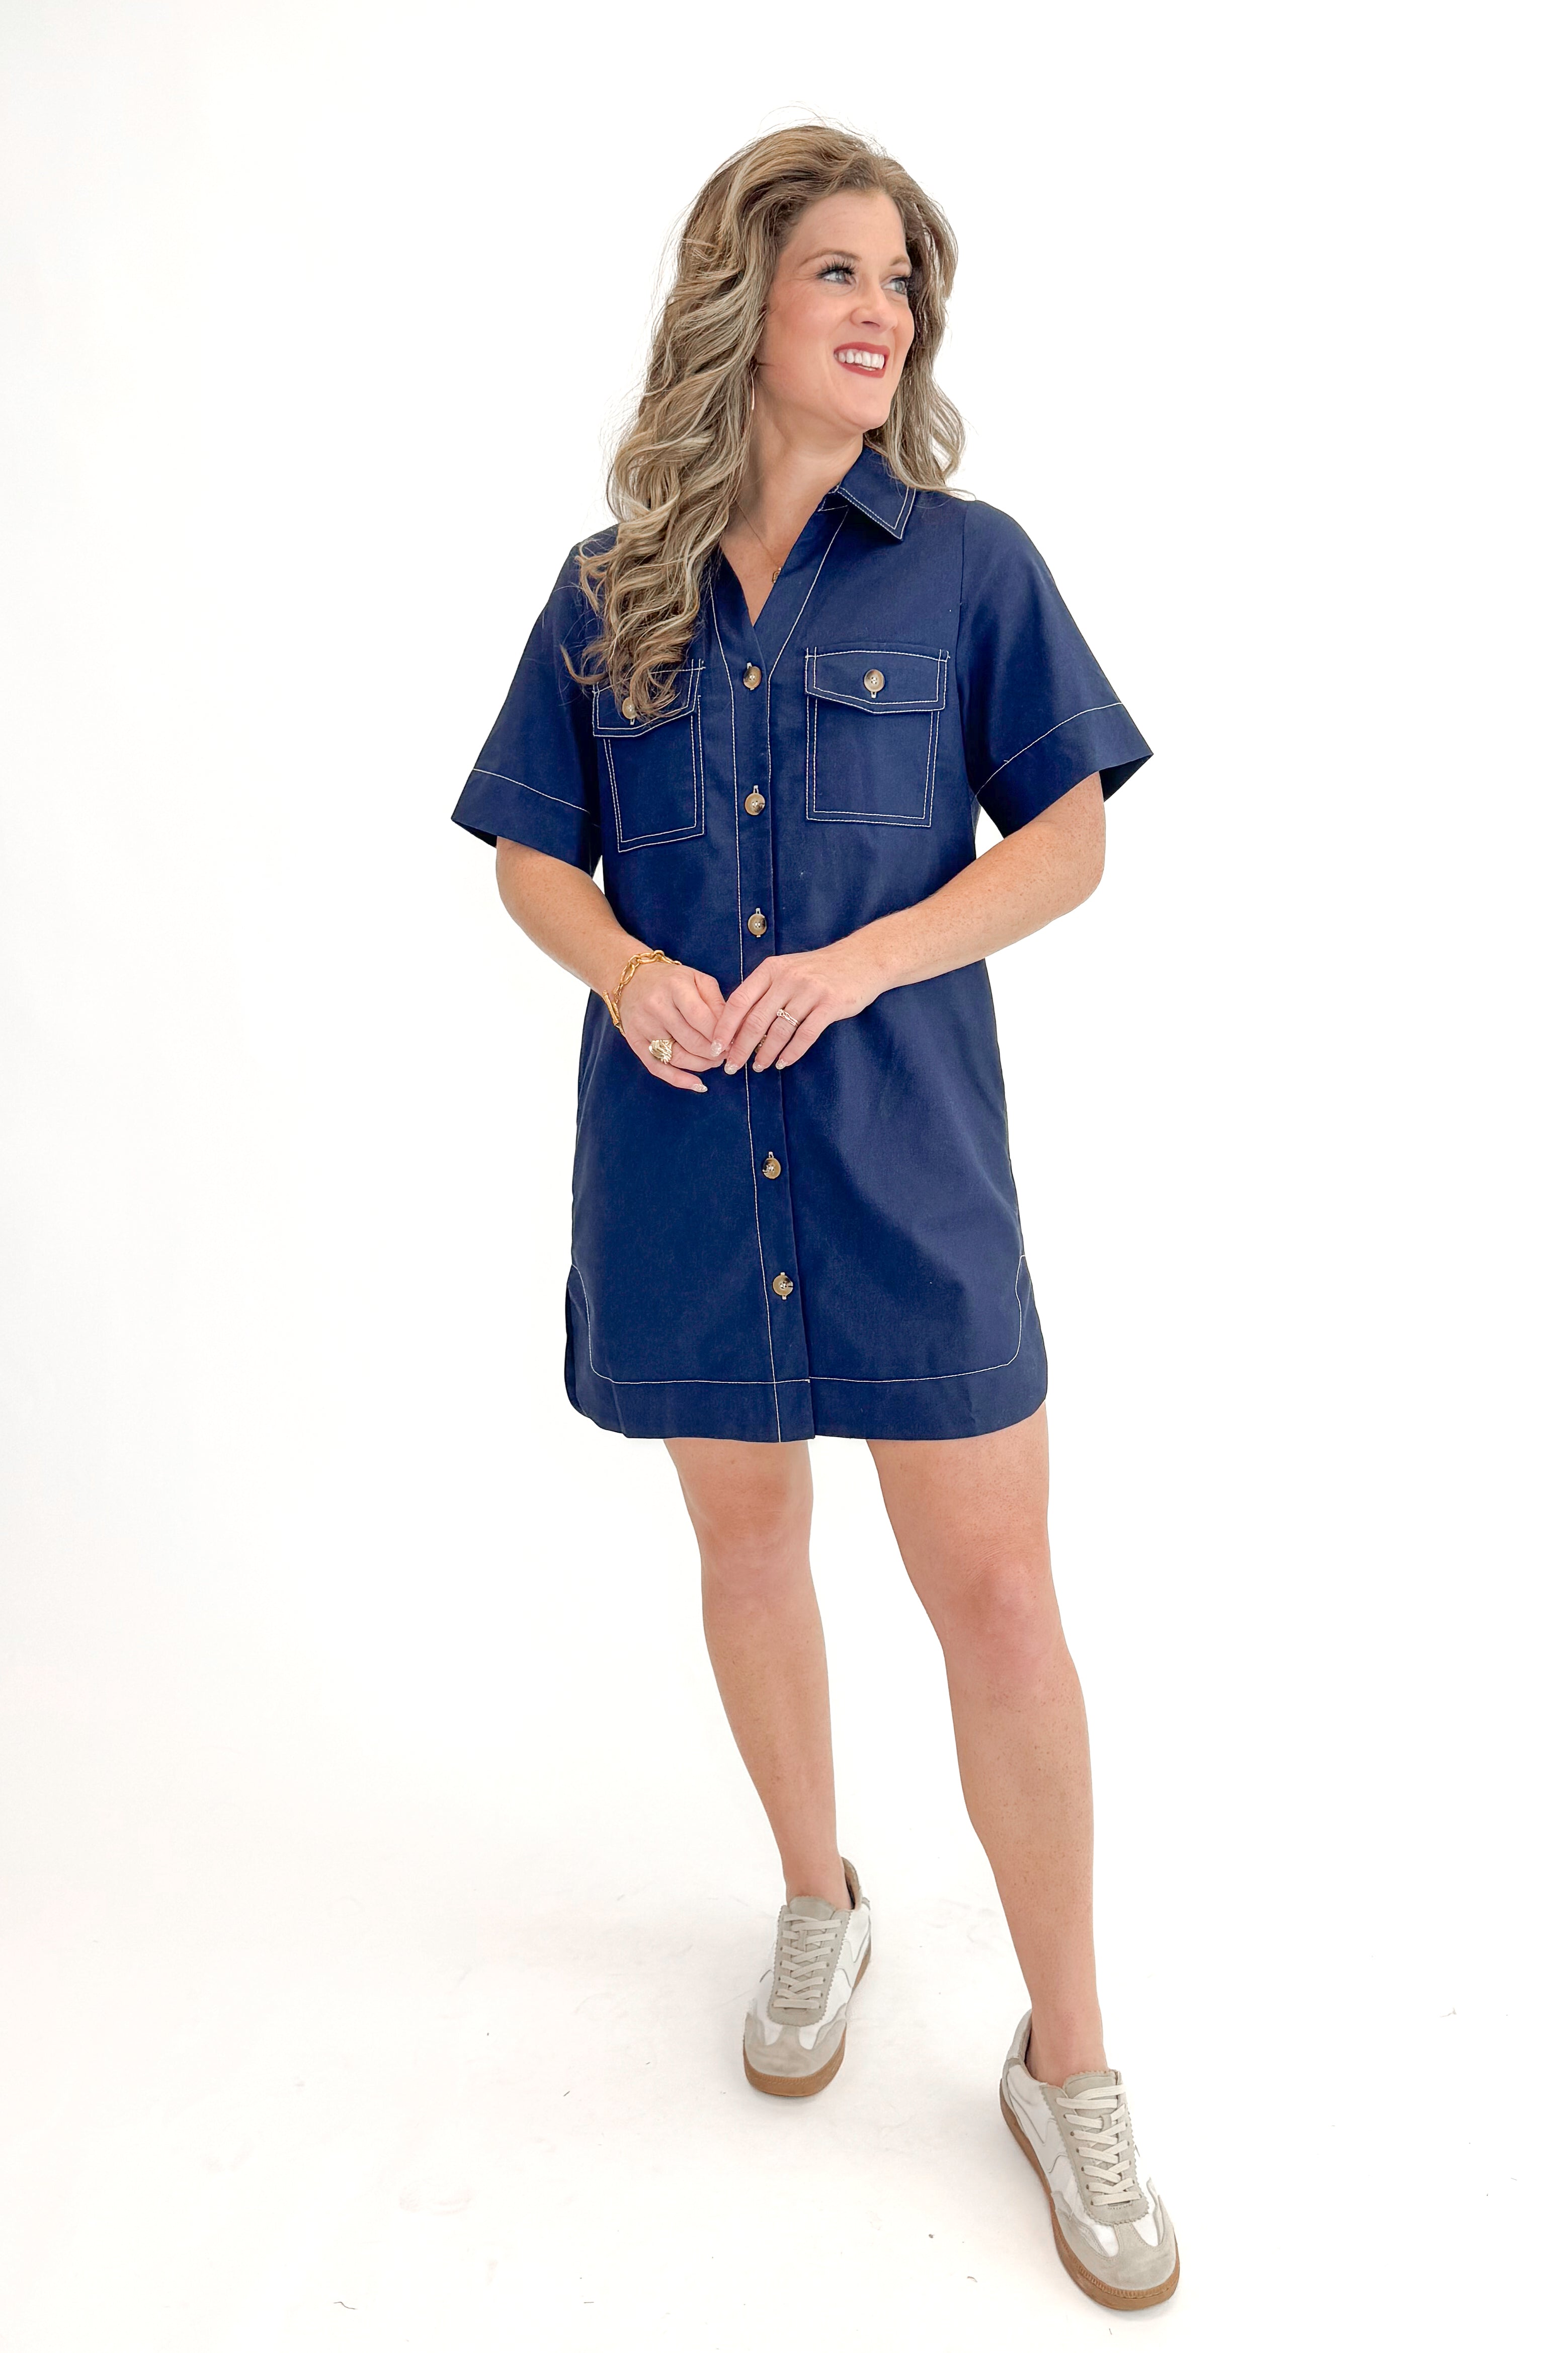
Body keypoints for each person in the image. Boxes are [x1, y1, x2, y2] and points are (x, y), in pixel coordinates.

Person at [451, 125, 1177, 2310]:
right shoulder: (613, 591)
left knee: (1005, 1608)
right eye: (845, 272)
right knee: (746, 1548)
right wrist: (624, 965)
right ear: (741, 304)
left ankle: (1071, 2059)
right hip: (682, 1155)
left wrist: (867, 954)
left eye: (907, 289)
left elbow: (1069, 839)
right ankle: (815, 1890)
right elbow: (529, 854)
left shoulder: (970, 568)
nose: (884, 314)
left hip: (907, 1159)